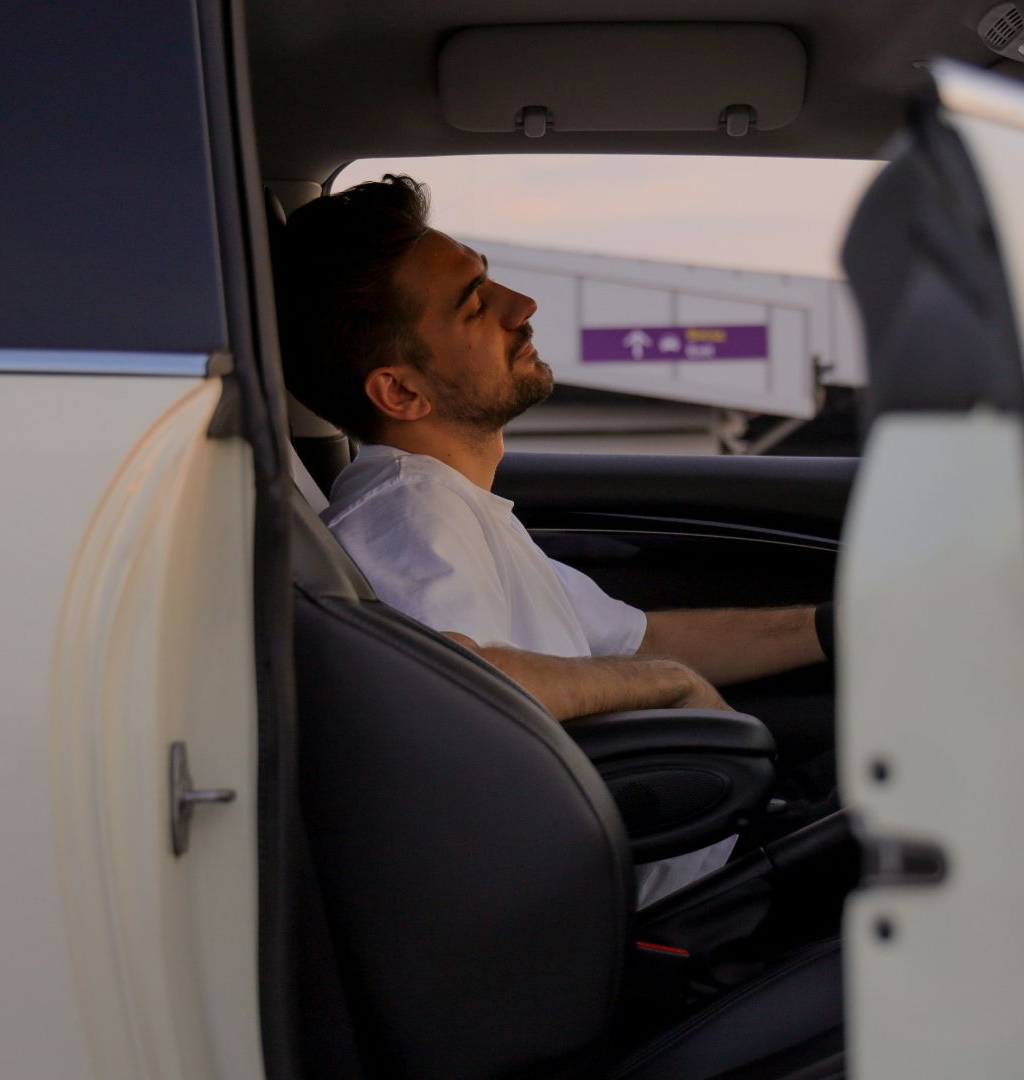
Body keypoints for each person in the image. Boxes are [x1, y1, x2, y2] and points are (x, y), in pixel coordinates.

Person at [277, 174, 834, 904]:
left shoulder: (454, 505)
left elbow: (634, 640)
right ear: (402, 393)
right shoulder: (410, 513)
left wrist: (835, 626)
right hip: (675, 906)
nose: (522, 307)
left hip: (706, 861)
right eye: (476, 306)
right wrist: (666, 687)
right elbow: (455, 689)